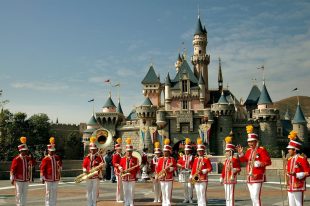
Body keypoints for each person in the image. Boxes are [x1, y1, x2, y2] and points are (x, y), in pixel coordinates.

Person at [236, 125, 271, 206]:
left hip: (257, 176)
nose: (250, 143)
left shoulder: (261, 150)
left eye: (252, 141)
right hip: (249, 176)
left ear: (256, 141)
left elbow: (268, 162)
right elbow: (244, 160)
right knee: (252, 196)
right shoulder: (248, 151)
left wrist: (260, 163)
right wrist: (241, 154)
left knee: (256, 196)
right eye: (249, 142)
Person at [286, 130, 310, 206]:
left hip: (298, 185)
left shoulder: (302, 159)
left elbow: (308, 172)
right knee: (291, 204)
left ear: (295, 150)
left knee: (299, 204)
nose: (288, 150)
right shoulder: (289, 159)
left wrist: (297, 174)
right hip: (290, 185)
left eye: (290, 149)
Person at [10, 136, 34, 206]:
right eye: (24, 150)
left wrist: (31, 160)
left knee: (25, 194)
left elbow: (34, 163)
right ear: (20, 151)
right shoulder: (16, 159)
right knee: (18, 193)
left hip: (26, 179)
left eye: (26, 150)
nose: (26, 151)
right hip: (18, 179)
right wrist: (12, 178)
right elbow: (12, 169)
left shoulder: (28, 158)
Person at [40, 137, 62, 206]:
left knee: (54, 192)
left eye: (53, 151)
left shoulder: (57, 157)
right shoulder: (45, 159)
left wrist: (60, 166)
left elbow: (60, 165)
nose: (52, 152)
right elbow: (42, 168)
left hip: (55, 178)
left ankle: (53, 204)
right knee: (48, 192)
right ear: (48, 151)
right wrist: (42, 177)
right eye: (51, 151)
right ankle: (48, 204)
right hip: (48, 178)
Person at [118, 137, 140, 206]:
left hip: (132, 177)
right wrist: (120, 168)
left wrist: (137, 176)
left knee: (131, 191)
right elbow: (119, 165)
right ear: (126, 151)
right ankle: (126, 202)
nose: (129, 152)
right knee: (125, 191)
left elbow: (138, 168)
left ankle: (131, 203)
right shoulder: (122, 159)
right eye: (128, 151)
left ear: (132, 151)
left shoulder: (135, 159)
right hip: (124, 177)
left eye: (130, 151)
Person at [190, 137, 212, 206]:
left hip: (203, 178)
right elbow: (193, 168)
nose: (199, 152)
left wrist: (203, 171)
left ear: (203, 151)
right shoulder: (196, 159)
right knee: (197, 192)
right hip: (196, 177)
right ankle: (199, 204)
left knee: (202, 192)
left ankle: (203, 204)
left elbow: (210, 168)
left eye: (200, 151)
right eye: (198, 151)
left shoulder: (206, 159)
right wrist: (191, 176)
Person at [82, 136, 104, 206]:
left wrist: (100, 165)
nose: (93, 151)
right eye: (91, 149)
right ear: (90, 150)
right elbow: (84, 165)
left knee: (94, 191)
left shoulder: (99, 157)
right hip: (88, 176)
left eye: (94, 149)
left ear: (96, 149)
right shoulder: (87, 157)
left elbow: (103, 164)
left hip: (95, 176)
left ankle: (94, 204)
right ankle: (89, 204)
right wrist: (85, 170)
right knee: (89, 191)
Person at [220, 135, 241, 206]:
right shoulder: (226, 160)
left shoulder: (234, 159)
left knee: (230, 195)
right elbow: (223, 170)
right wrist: (221, 177)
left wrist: (235, 170)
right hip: (226, 179)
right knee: (227, 196)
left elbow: (239, 168)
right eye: (226, 151)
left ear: (231, 152)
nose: (226, 153)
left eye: (227, 151)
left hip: (231, 179)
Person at [155, 138, 176, 206]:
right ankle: (164, 202)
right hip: (161, 177)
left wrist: (170, 169)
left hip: (168, 177)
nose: (164, 152)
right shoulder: (160, 159)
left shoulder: (172, 159)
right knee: (163, 190)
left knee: (168, 190)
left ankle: (168, 202)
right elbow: (158, 168)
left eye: (166, 151)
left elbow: (175, 167)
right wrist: (157, 175)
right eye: (164, 151)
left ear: (169, 152)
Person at [177, 138, 194, 203]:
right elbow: (178, 163)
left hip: (190, 172)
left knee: (190, 186)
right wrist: (181, 166)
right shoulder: (182, 157)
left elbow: (194, 165)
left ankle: (190, 198)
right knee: (185, 187)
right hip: (183, 172)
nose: (186, 151)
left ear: (190, 150)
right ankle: (186, 198)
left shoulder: (192, 157)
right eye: (185, 150)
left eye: (188, 150)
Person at [112, 137, 124, 202]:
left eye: (120, 149)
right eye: (119, 149)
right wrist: (119, 166)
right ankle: (118, 198)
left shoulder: (120, 155)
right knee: (119, 185)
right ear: (116, 149)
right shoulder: (115, 155)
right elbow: (114, 163)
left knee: (121, 185)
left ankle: (121, 197)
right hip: (118, 171)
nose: (120, 150)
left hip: (121, 170)